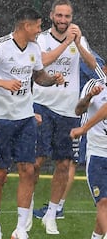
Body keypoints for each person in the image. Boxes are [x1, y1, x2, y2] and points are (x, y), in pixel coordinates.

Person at [0, 7, 64, 239]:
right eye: (38, 26)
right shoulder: (0, 46)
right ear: (26, 26)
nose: (40, 30)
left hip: (25, 119)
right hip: (0, 120)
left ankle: (21, 229)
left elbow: (38, 76)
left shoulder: (34, 47)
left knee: (28, 170)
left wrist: (53, 80)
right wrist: (1, 82)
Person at [31, 0, 96, 234]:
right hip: (42, 105)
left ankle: (51, 214)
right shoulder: (40, 39)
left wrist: (77, 43)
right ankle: (26, 210)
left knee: (64, 163)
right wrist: (67, 42)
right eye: (59, 16)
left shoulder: (78, 37)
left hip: (69, 111)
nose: (63, 20)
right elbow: (42, 62)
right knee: (35, 162)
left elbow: (92, 66)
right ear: (51, 16)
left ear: (71, 17)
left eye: (67, 16)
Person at [33, 50, 107, 220]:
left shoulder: (82, 53)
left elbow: (95, 67)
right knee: (64, 162)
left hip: (80, 119)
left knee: (69, 163)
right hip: (79, 114)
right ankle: (57, 206)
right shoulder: (50, 45)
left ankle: (58, 206)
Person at [70, 76, 107, 239]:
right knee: (103, 203)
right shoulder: (94, 84)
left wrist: (84, 128)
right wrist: (90, 96)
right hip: (98, 154)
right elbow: (78, 110)